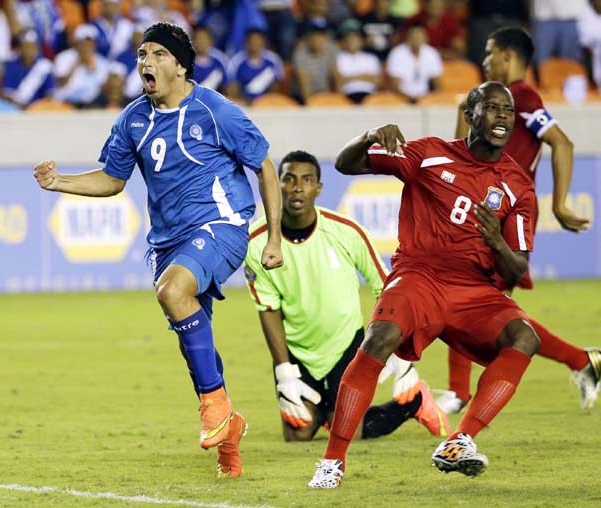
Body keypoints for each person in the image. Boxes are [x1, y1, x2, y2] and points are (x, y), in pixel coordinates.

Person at [33, 22, 284, 479]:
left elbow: (265, 166)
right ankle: (229, 432)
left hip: (222, 225)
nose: (145, 62)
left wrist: (273, 237)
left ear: (180, 65)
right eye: (141, 54)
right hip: (168, 242)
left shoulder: (214, 110)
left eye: (157, 54)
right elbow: (112, 179)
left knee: (172, 292)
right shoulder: (133, 119)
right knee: (196, 347)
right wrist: (59, 182)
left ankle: (214, 408)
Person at [309, 81, 542, 488]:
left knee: (524, 337)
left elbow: (517, 266)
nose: (502, 116)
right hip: (419, 274)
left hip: (473, 289)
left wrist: (496, 242)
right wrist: (368, 136)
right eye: (491, 107)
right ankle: (332, 462)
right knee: (379, 339)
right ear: (470, 116)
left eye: (508, 111)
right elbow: (347, 164)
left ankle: (460, 441)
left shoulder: (517, 185)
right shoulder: (429, 153)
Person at [439, 27, 599, 415]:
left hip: (508, 220)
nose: (485, 61)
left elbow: (562, 142)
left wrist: (559, 204)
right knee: (481, 306)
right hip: (489, 214)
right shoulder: (494, 105)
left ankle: (459, 391)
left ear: (509, 56)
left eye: (490, 52)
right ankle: (583, 361)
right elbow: (461, 151)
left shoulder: (523, 98)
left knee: (469, 300)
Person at [244, 150, 450, 442]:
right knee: (297, 433)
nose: (298, 187)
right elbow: (267, 309)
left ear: (319, 188)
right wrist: (284, 370)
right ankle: (329, 409)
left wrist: (400, 356)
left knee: (348, 430)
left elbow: (388, 287)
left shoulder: (347, 232)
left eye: (307, 180)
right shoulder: (256, 243)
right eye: (288, 179)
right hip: (299, 352)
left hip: (346, 345)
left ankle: (413, 403)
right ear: (277, 187)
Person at [385, 22, 442, 104]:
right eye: (413, 35)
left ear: (425, 37)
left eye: (419, 35)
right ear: (407, 37)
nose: (416, 38)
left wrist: (429, 98)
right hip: (401, 97)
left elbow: (437, 85)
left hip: (425, 98)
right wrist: (412, 100)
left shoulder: (432, 53)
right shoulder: (396, 53)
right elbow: (394, 86)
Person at [1, 29, 55, 108]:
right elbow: (7, 94)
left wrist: (36, 107)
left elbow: (49, 95)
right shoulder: (11, 66)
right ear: (20, 49)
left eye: (32, 47)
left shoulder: (45, 66)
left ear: (37, 49)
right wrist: (22, 106)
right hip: (16, 109)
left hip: (39, 110)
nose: (29, 51)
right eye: (26, 47)